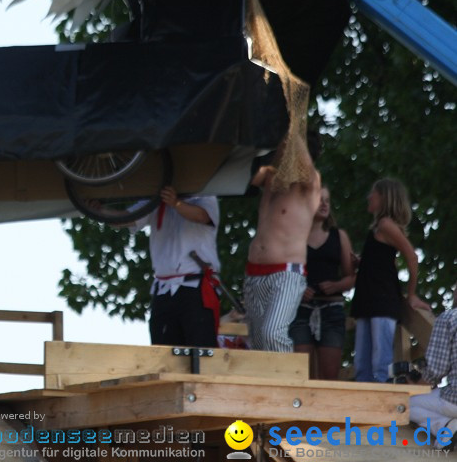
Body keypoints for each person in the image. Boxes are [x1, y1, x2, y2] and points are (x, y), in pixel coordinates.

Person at [244, 131, 321, 352]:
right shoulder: (270, 178)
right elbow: (247, 177)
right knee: (258, 343)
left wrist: (292, 125)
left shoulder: (310, 183)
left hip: (286, 273)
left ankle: (287, 385)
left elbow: (302, 163)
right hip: (254, 273)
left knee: (272, 333)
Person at [351, 178, 430, 382]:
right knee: (363, 363)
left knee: (378, 363)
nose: (369, 196)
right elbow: (382, 261)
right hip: (368, 299)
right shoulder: (378, 228)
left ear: (385, 198)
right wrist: (361, 262)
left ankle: (380, 407)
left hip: (382, 299)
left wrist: (411, 295)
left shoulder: (386, 224)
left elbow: (411, 257)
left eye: (373, 193)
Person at [127, 186, 221, 347]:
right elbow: (126, 218)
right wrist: (99, 212)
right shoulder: (155, 200)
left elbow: (202, 216)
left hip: (195, 287)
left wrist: (175, 203)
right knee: (163, 351)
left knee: (201, 350)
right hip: (164, 289)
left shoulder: (204, 194)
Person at [289, 186, 355, 379]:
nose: (324, 204)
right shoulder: (294, 235)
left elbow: (351, 276)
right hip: (299, 308)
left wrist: (336, 285)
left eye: (327, 200)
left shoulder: (339, 236)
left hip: (331, 308)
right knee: (300, 374)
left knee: (330, 376)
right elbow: (283, 272)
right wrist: (298, 289)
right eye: (320, 200)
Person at [409, 308, 457, 450]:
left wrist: (414, 388)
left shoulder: (450, 317)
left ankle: (446, 427)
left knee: (406, 406)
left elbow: (436, 370)